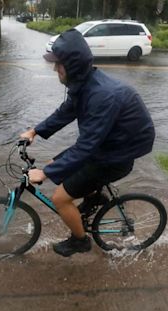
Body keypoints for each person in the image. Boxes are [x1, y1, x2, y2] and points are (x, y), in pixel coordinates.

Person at [20, 29, 155, 257]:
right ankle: (95, 196)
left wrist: (45, 173)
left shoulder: (102, 96)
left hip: (116, 156)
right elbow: (66, 112)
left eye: (58, 64)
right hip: (107, 145)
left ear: (72, 65)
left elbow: (86, 148)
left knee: (60, 198)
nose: (55, 69)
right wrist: (35, 131)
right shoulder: (83, 84)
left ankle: (79, 241)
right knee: (58, 165)